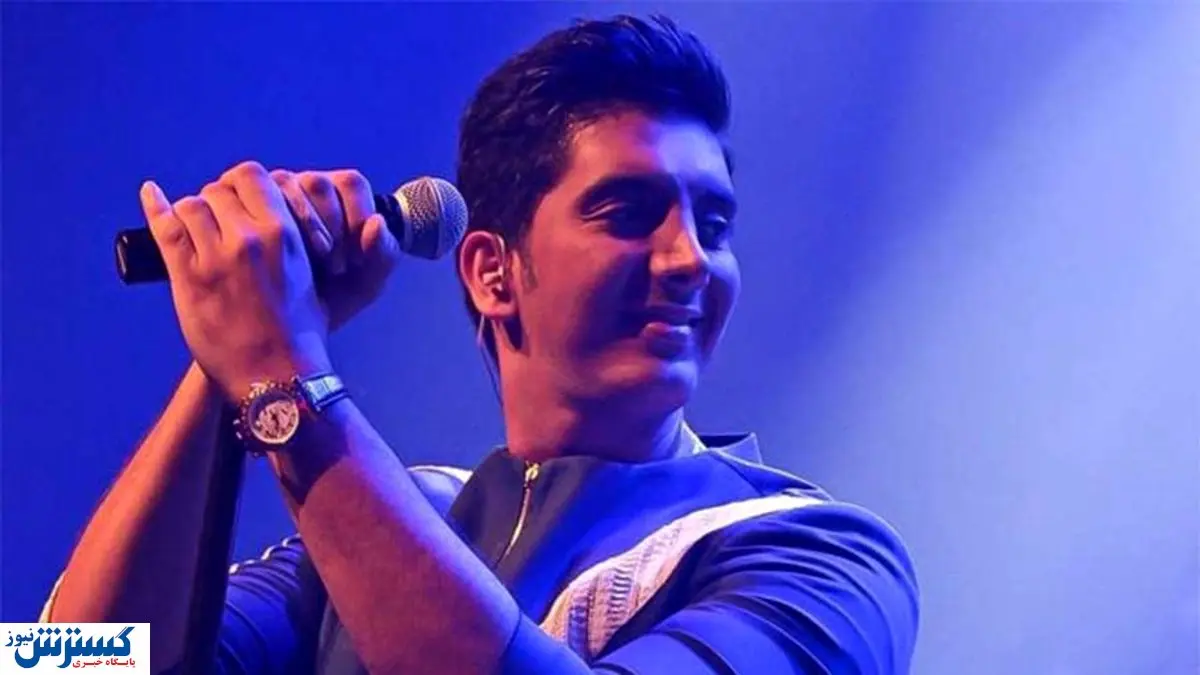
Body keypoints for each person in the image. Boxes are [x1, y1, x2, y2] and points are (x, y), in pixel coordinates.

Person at [41, 14, 919, 675]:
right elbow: (69, 662)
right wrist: (228, 349)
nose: (691, 258)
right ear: (493, 272)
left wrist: (280, 376)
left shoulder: (820, 556)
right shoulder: (401, 518)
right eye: (628, 213)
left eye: (714, 223)